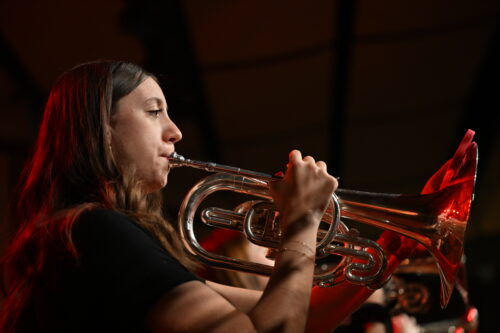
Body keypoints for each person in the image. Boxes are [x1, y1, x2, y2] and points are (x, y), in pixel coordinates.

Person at [0, 60, 340, 332]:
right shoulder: (94, 229)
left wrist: (383, 255)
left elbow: (304, 316)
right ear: (101, 129)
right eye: (153, 111)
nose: (175, 132)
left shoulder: (90, 232)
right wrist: (302, 220)